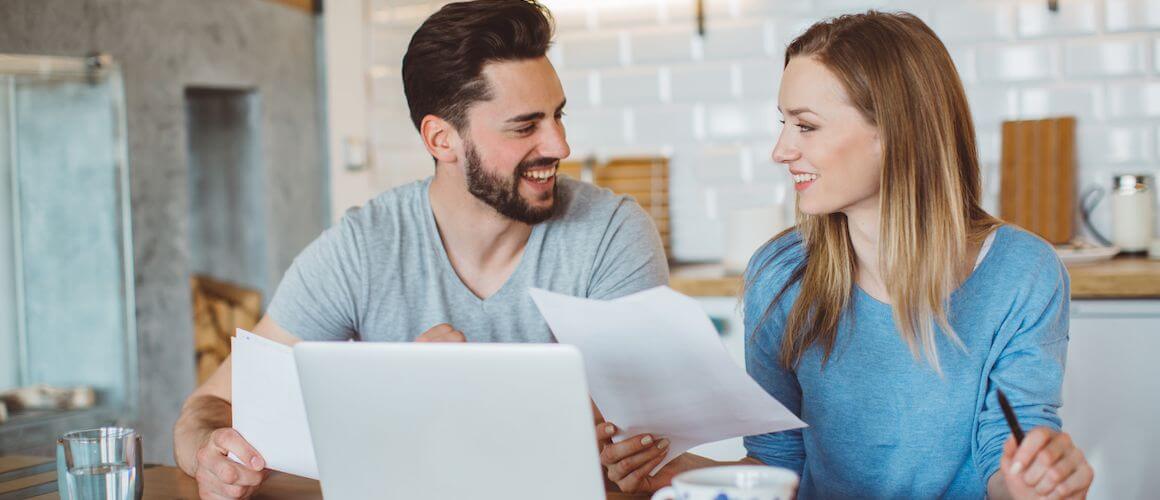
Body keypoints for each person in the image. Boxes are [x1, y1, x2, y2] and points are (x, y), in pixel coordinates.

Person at [172, 1, 668, 497]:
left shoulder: (612, 233)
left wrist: (405, 398)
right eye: (525, 126)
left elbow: (634, 429)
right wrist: (211, 453)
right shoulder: (363, 247)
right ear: (441, 139)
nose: (560, 145)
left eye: (557, 116)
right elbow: (210, 405)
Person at [598, 11, 1094, 499]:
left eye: (806, 126)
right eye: (783, 123)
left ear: (895, 133)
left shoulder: (1022, 272)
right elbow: (777, 466)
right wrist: (672, 471)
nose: (781, 149)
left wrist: (1039, 480)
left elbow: (1006, 458)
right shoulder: (780, 274)